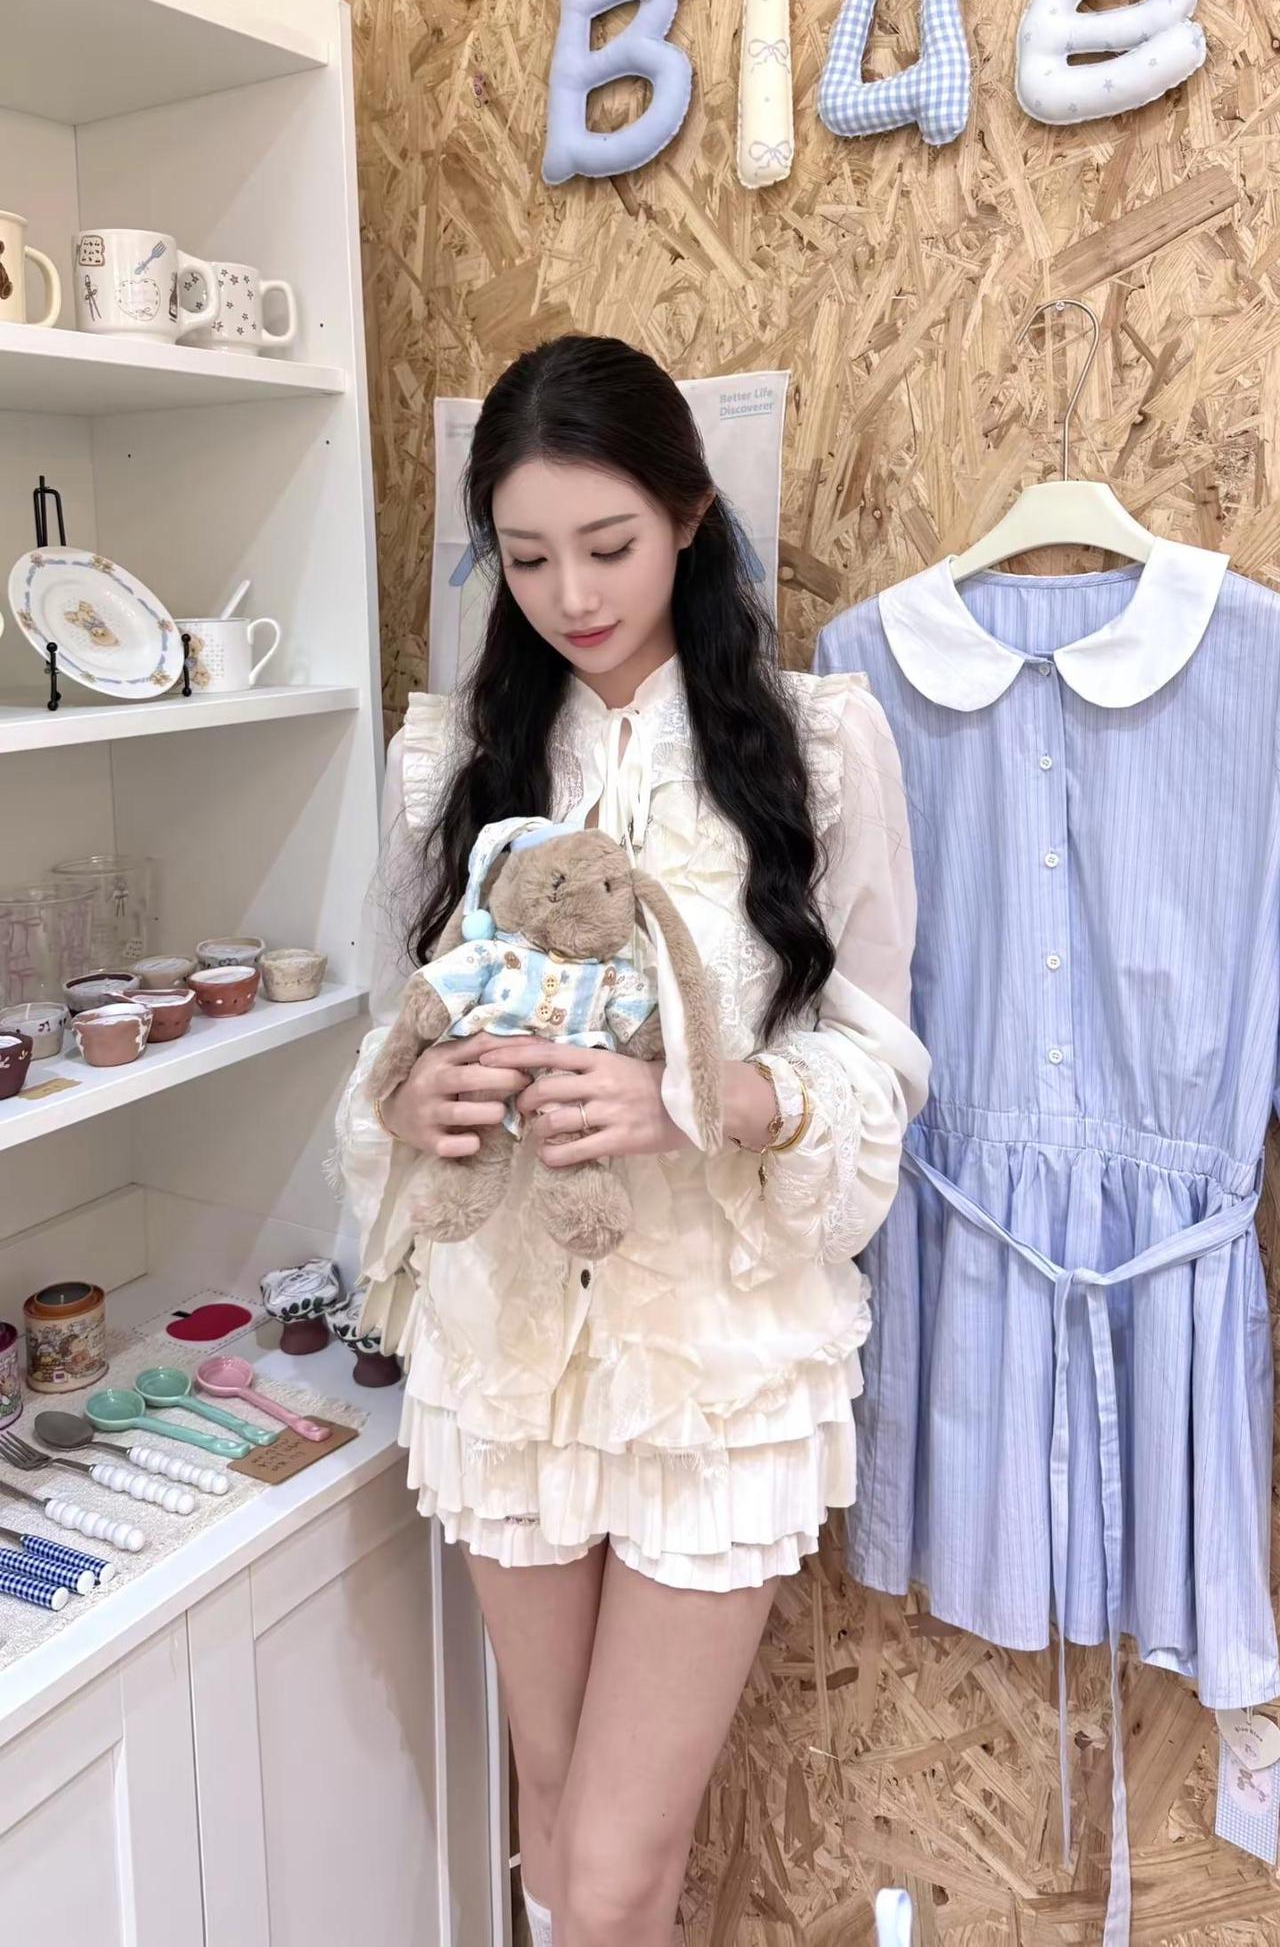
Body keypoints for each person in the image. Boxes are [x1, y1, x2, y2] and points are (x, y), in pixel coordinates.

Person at [334, 334, 929, 1947]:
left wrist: (707, 1103)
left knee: (605, 1873)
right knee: (557, 1827)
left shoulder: (817, 746)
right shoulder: (447, 764)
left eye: (608, 545)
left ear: (688, 516)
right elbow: (392, 1034)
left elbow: (876, 1058)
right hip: (506, 1357)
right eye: (527, 558)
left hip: (713, 1366)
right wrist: (411, 1102)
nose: (572, 596)